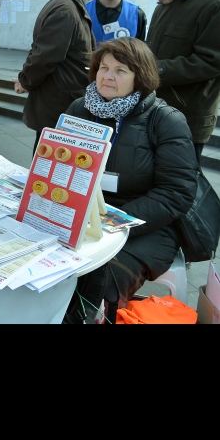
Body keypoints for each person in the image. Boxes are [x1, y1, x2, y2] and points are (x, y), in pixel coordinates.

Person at [62, 37, 197, 323]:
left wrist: (115, 223)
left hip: (147, 225)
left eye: (121, 70)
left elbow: (176, 193)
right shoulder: (79, 110)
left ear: (140, 77)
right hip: (87, 216)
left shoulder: (165, 120)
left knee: (99, 277)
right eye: (103, 67)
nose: (108, 76)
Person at [132, 0, 220, 164]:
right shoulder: (163, 5)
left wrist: (152, 70)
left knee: (180, 187)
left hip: (187, 118)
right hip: (154, 110)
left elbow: (211, 61)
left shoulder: (213, 3)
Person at [14, 0, 101, 154]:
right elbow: (43, 57)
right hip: (60, 111)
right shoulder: (66, 10)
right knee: (51, 171)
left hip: (62, 108)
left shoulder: (66, 6)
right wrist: (24, 81)